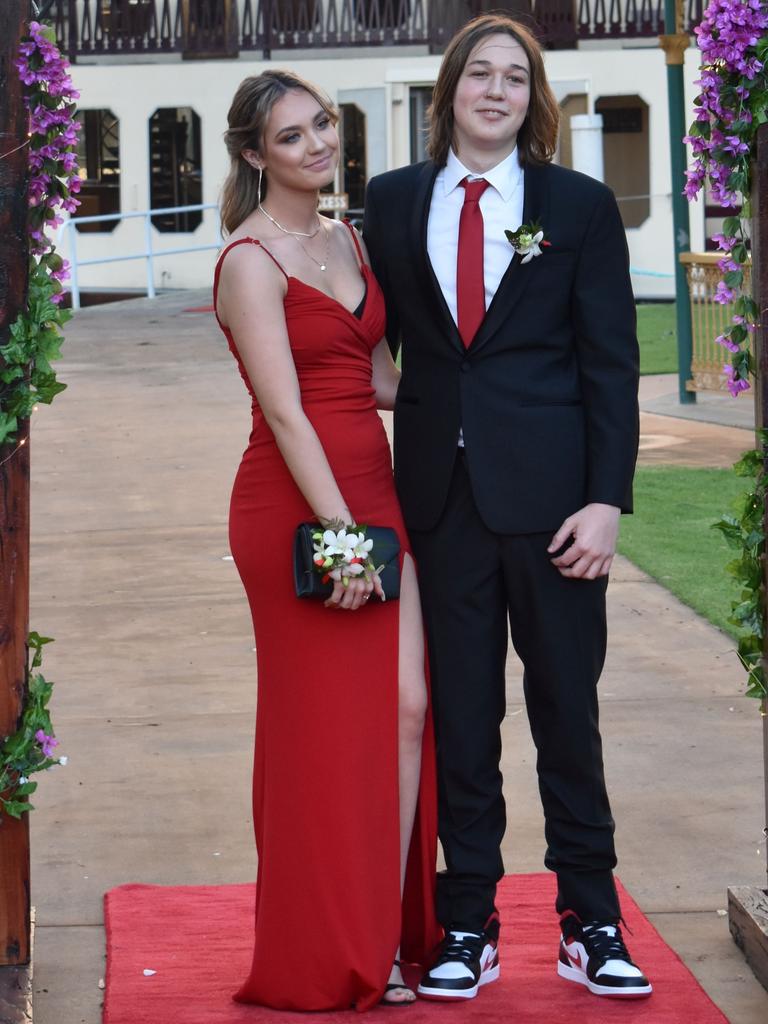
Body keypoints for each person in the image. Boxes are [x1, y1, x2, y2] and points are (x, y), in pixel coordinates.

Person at [363, 13, 652, 1002]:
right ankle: (468, 920)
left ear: (534, 100)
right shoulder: (392, 202)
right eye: (479, 74)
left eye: (515, 78)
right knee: (463, 719)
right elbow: (375, 339)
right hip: (440, 507)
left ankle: (591, 917)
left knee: (568, 712)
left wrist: (608, 498)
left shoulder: (576, 205)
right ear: (449, 91)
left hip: (556, 507)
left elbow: (612, 363)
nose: (496, 90)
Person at [213, 69, 441, 1010]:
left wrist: (487, 385)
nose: (318, 145)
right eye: (294, 136)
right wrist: (345, 544)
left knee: (406, 707)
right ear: (255, 154)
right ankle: (334, 948)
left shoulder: (348, 238)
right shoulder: (247, 262)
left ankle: (382, 935)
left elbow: (381, 381)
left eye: (324, 126)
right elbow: (288, 412)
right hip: (299, 510)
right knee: (322, 733)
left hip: (374, 495)